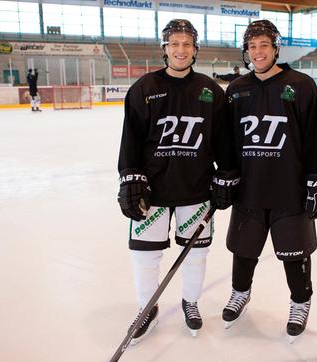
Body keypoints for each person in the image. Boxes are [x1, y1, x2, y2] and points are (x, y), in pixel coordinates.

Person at [117, 19, 235, 345]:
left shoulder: (210, 91)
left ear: (195, 49)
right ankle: (147, 308)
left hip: (196, 189)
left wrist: (225, 174)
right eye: (174, 44)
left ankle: (191, 302)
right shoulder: (143, 88)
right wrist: (130, 179)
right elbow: (130, 141)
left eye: (186, 44)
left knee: (196, 254)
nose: (180, 50)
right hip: (151, 192)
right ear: (164, 48)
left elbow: (223, 143)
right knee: (144, 254)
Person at [221, 20, 317, 342]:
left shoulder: (301, 85)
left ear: (276, 48)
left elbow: (313, 137)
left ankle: (300, 301)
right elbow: (228, 141)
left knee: (295, 253)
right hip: (249, 188)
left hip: (289, 188)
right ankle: (240, 293)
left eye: (264, 46)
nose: (258, 52)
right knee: (243, 250)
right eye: (252, 47)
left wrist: (316, 177)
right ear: (246, 51)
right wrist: (226, 174)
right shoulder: (237, 89)